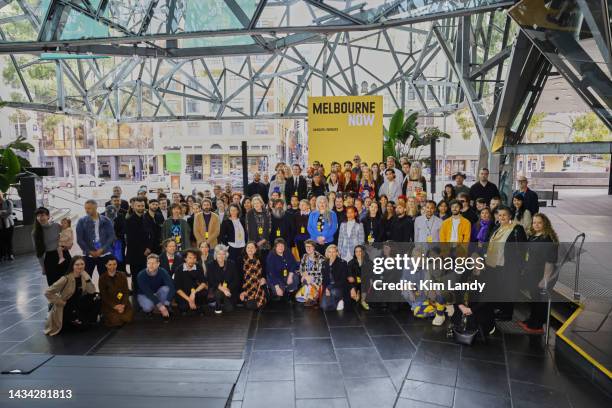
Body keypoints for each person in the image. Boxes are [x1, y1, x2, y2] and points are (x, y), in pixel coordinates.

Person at [485, 205, 527, 322]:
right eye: (500, 215)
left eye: (504, 215)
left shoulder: (517, 229)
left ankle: (507, 314)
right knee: (499, 287)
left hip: (509, 265)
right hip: (494, 264)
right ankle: (499, 309)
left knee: (508, 289)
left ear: (510, 216)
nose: (502, 217)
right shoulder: (497, 226)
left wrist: (520, 265)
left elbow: (523, 248)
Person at [519, 213, 559, 334]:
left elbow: (550, 262)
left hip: (541, 273)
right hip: (531, 271)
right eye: (534, 222)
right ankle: (532, 319)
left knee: (539, 299)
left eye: (539, 223)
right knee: (533, 297)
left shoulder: (548, 239)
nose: (536, 225)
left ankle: (537, 325)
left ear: (545, 224)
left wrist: (545, 279)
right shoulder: (534, 235)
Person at [44, 256, 99, 336]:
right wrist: (62, 302)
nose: (80, 266)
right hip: (67, 306)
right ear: (72, 266)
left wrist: (87, 279)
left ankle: (86, 319)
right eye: (77, 264)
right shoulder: (65, 278)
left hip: (78, 304)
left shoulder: (84, 276)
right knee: (84, 326)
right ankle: (70, 321)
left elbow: (92, 291)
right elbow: (48, 292)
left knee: (97, 297)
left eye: (82, 264)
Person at [76, 200, 115, 279]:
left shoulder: (106, 220)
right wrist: (89, 251)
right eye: (86, 208)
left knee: (106, 278)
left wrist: (102, 249)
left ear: (96, 207)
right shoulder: (81, 221)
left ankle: (104, 291)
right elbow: (80, 239)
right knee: (85, 278)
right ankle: (88, 292)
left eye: (89, 208)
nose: (87, 210)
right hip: (88, 254)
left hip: (104, 253)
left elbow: (111, 237)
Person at [33, 207, 71, 286]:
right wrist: (43, 268)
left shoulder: (56, 226)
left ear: (48, 216)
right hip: (50, 259)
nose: (40, 218)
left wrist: (68, 244)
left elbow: (67, 234)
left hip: (63, 255)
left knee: (69, 283)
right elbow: (39, 252)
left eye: (43, 215)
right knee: (54, 286)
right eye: (38, 216)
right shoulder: (35, 233)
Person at [125, 197, 157, 286]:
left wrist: (149, 248)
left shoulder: (148, 219)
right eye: (138, 206)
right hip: (135, 254)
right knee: (136, 278)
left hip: (147, 254)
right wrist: (143, 249)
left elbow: (152, 235)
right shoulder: (129, 220)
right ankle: (136, 297)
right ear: (134, 207)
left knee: (148, 276)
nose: (141, 208)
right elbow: (131, 239)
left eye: (142, 206)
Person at [136, 254, 175, 319]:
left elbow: (172, 287)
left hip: (158, 292)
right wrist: (160, 306)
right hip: (145, 294)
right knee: (147, 308)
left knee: (166, 289)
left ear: (158, 264)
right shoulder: (141, 275)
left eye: (153, 263)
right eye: (149, 263)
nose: (151, 265)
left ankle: (161, 306)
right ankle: (156, 306)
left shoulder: (162, 271)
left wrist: (166, 304)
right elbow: (147, 292)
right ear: (146, 264)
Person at [99, 256, 133, 327]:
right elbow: (104, 296)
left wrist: (123, 305)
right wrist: (115, 306)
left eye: (114, 264)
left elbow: (126, 292)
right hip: (110, 304)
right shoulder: (102, 278)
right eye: (110, 265)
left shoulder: (122, 275)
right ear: (106, 265)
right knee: (116, 321)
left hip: (122, 302)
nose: (112, 267)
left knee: (128, 318)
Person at [173, 249, 208, 315]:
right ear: (185, 258)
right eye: (190, 258)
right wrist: (190, 300)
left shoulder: (198, 267)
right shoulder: (179, 269)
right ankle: (191, 305)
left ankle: (198, 306)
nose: (192, 260)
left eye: (194, 258)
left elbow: (203, 283)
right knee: (183, 308)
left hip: (195, 291)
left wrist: (194, 292)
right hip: (184, 292)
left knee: (203, 293)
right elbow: (177, 289)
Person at [207, 244, 240, 313]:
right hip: (216, 288)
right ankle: (218, 304)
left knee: (229, 309)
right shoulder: (211, 265)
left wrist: (228, 289)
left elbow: (236, 280)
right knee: (218, 293)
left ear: (226, 255)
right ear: (216, 254)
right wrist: (223, 289)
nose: (221, 256)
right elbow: (211, 280)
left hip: (229, 289)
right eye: (219, 254)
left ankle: (225, 301)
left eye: (223, 254)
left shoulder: (232, 264)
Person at [296, 240, 325, 305]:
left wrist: (310, 276)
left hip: (317, 281)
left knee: (305, 297)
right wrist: (303, 274)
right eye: (306, 247)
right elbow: (301, 268)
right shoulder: (304, 256)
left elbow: (321, 273)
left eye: (310, 246)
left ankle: (312, 294)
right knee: (298, 298)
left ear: (314, 247)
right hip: (306, 280)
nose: (308, 248)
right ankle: (310, 294)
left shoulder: (320, 258)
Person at [239, 242, 267, 310]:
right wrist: (241, 291)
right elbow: (239, 277)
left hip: (259, 285)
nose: (250, 249)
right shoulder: (240, 260)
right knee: (250, 306)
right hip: (246, 287)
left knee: (260, 305)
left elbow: (265, 271)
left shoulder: (261, 259)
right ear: (245, 249)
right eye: (248, 247)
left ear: (256, 249)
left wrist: (264, 278)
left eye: (252, 247)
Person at [320, 245, 348, 311]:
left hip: (339, 287)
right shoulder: (324, 263)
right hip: (328, 287)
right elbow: (324, 279)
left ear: (337, 253)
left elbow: (343, 280)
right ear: (327, 253)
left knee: (334, 291)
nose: (331, 254)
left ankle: (341, 299)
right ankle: (337, 302)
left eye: (333, 252)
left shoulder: (343, 263)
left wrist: (329, 288)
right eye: (329, 252)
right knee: (324, 307)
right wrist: (325, 289)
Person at [348, 245, 373, 310]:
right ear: (354, 253)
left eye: (360, 251)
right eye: (356, 252)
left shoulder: (369, 262)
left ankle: (362, 300)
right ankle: (357, 295)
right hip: (355, 282)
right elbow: (350, 275)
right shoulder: (351, 263)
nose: (358, 253)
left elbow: (370, 274)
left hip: (365, 282)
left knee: (366, 282)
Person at [0, 191, 15, 261]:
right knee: (1, 241)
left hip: (9, 224)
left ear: (2, 194)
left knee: (9, 240)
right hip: (1, 225)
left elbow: (9, 212)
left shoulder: (8, 202)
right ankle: (3, 255)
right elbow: (6, 212)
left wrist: (1, 213)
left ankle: (10, 254)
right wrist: (3, 212)